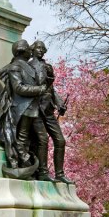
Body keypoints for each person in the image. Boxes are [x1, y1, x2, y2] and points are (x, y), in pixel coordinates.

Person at [0, 39, 49, 180]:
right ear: (22, 51)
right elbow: (18, 88)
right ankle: (24, 165)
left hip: (33, 107)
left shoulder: (25, 65)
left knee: (41, 138)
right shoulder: (15, 67)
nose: (31, 50)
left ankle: (41, 170)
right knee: (23, 138)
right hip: (23, 107)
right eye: (28, 49)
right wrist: (39, 89)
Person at [29, 41, 74, 184]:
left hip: (48, 110)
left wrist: (60, 104)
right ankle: (43, 172)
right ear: (33, 50)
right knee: (43, 140)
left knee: (60, 140)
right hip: (35, 109)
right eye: (38, 48)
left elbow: (51, 89)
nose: (41, 51)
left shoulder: (48, 67)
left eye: (43, 49)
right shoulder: (29, 66)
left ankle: (60, 173)